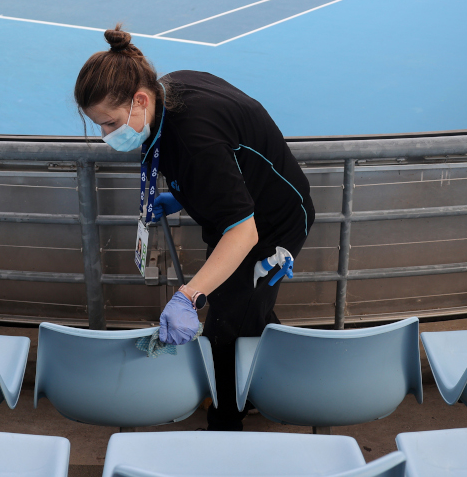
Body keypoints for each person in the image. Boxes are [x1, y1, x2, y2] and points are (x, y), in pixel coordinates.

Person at [74, 27, 315, 431]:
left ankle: (225, 424)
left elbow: (243, 233)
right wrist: (184, 196)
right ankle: (271, 379)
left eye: (111, 123)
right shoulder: (167, 94)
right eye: (99, 126)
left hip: (270, 224)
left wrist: (189, 296)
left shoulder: (193, 139)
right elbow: (226, 168)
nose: (106, 136)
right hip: (240, 209)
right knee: (245, 305)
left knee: (222, 328)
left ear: (140, 100)